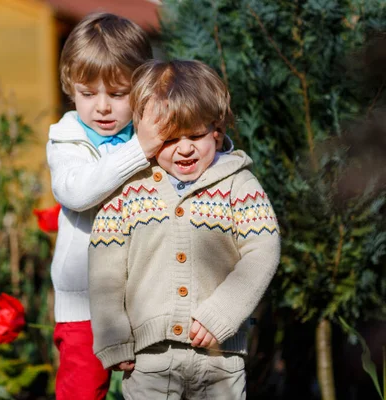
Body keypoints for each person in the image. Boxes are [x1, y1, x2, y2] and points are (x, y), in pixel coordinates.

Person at [88, 59, 281, 399]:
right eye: (170, 138)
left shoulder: (240, 185)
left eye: (196, 135)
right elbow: (106, 266)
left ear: (217, 131)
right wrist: (114, 337)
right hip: (149, 360)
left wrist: (220, 314)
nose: (185, 148)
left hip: (220, 357)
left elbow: (262, 251)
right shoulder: (128, 190)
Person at [46, 12, 163, 400]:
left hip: (143, 297)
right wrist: (138, 151)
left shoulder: (148, 134)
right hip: (85, 302)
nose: (102, 107)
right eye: (87, 93)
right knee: (82, 390)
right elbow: (77, 192)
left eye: (117, 94)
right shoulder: (66, 140)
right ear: (70, 88)